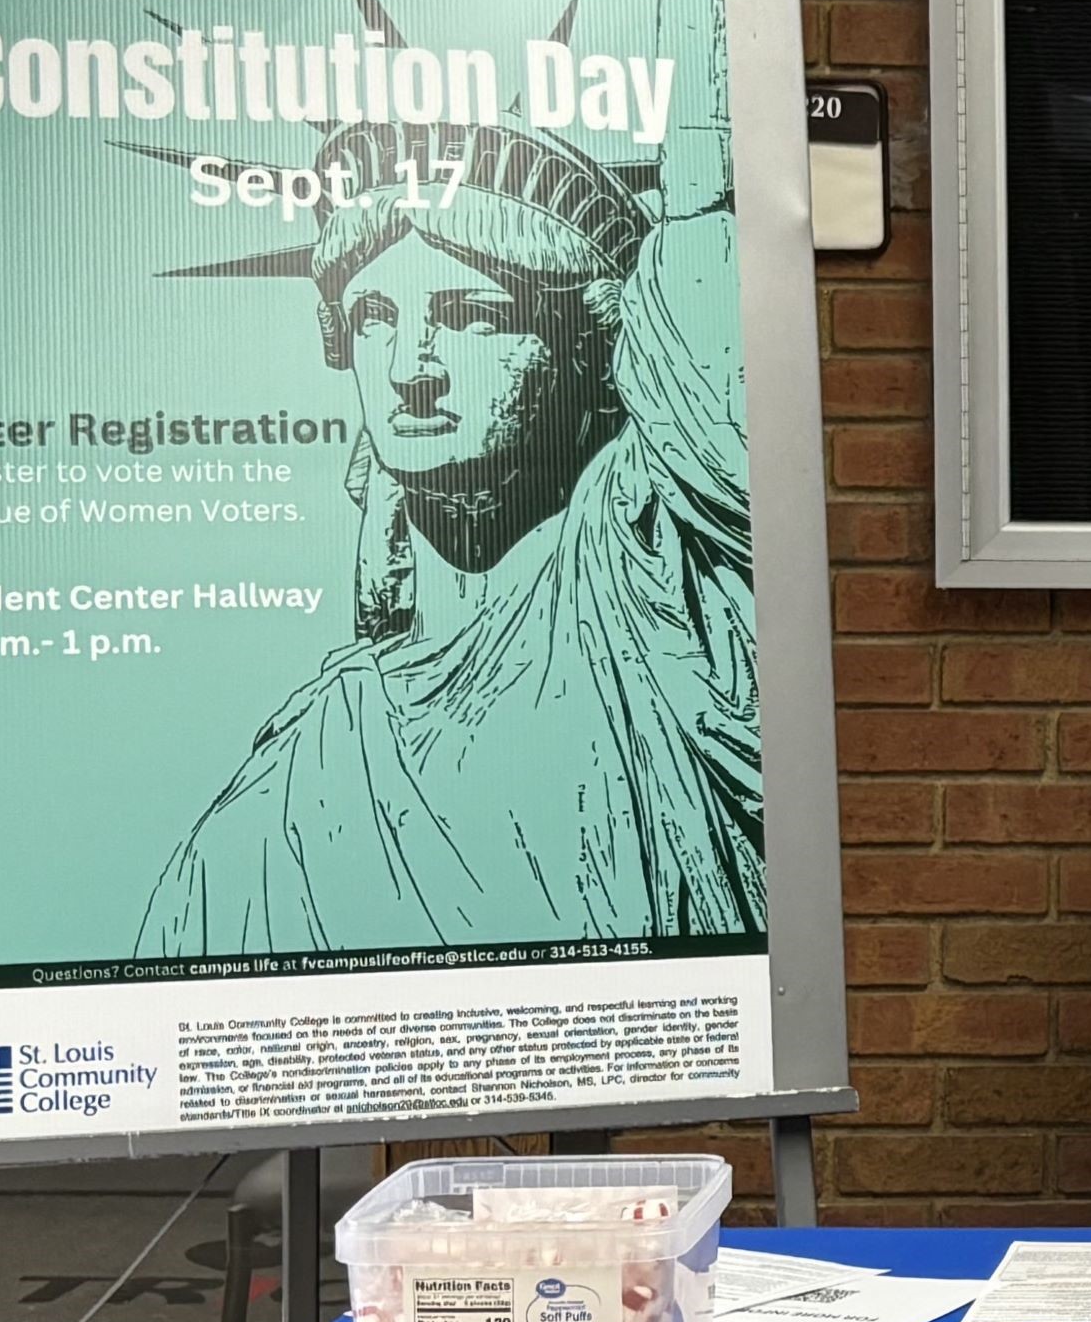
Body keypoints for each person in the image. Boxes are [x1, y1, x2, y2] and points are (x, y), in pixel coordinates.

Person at [138, 115, 762, 954]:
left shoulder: (643, 594)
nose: (409, 368)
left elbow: (707, 301)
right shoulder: (285, 790)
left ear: (594, 352)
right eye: (373, 319)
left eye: (470, 314)